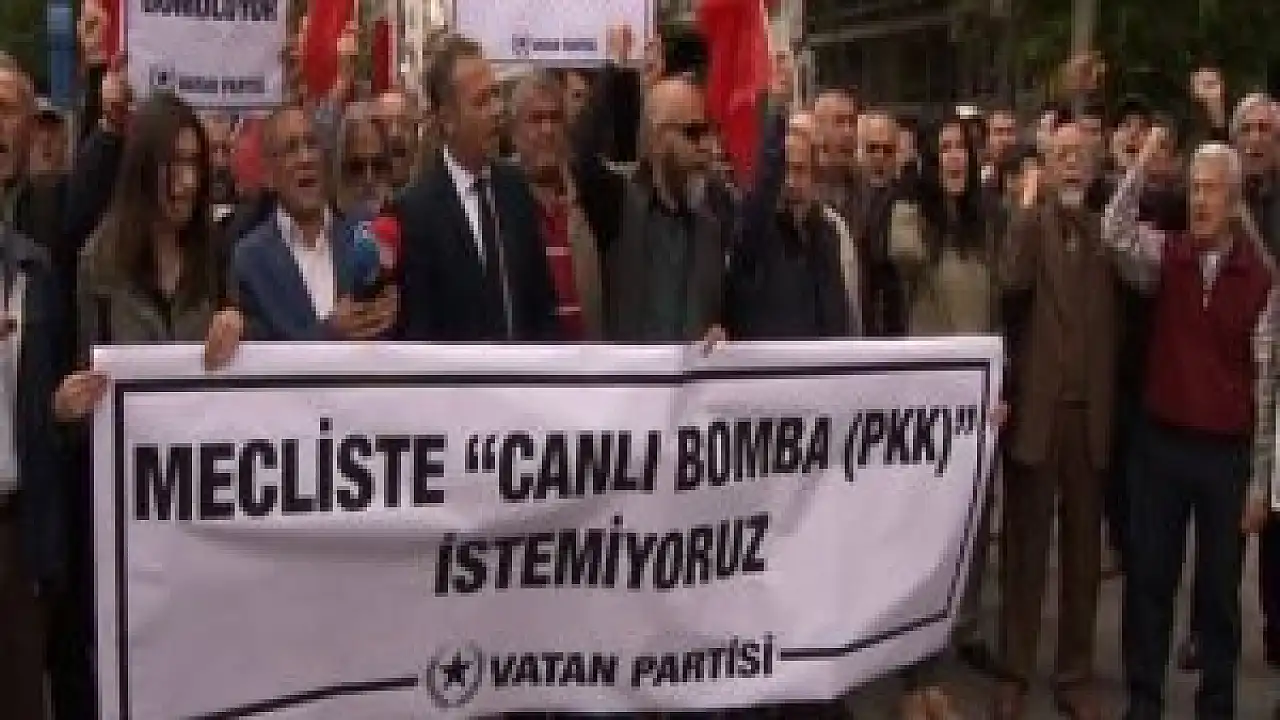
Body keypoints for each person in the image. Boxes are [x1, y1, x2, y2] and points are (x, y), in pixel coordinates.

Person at [1105, 128, 1275, 720]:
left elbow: (1267, 387)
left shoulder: (1261, 280)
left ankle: (1217, 704)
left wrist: (1261, 483)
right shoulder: (1168, 255)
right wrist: (1142, 163)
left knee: (1219, 593)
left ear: (1234, 201)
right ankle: (1143, 701)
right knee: (1149, 582)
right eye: (1194, 189)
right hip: (1162, 444)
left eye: (1212, 190)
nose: (1200, 200)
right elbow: (1114, 233)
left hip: (1225, 455)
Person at [993, 119, 1119, 720]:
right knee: (1025, 551)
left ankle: (1074, 673)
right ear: (1045, 165)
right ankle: (1014, 669)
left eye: (1080, 155)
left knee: (1082, 555)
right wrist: (1025, 206)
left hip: (1090, 415)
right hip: (1038, 414)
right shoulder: (1028, 226)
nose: (1071, 163)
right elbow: (1010, 283)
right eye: (1060, 154)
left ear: (1094, 167)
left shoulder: (1107, 231)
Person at [393, 35, 558, 342]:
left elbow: (542, 306)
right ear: (447, 119)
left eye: (496, 95)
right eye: (482, 101)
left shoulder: (516, 188)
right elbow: (420, 331)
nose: (497, 110)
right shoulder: (416, 211)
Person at [571, 26, 729, 346]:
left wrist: (722, 330)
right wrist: (615, 69)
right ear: (657, 140)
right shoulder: (620, 206)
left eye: (708, 131)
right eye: (692, 133)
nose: (705, 145)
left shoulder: (715, 215)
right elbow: (581, 158)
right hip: (633, 378)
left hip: (693, 378)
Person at [0, 52, 75, 720]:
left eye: (9, 111)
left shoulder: (35, 269)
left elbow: (44, 412)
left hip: (18, 536)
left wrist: (59, 408)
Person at [234, 104, 397, 342]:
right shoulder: (250, 260)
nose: (306, 158)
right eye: (291, 149)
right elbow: (262, 354)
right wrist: (330, 333)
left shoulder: (364, 235)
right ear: (269, 176)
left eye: (311, 144)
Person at [510, 72, 603, 340]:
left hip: (590, 359)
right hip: (529, 361)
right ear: (514, 131)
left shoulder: (593, 198)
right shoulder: (499, 200)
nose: (548, 130)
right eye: (536, 119)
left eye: (555, 118)